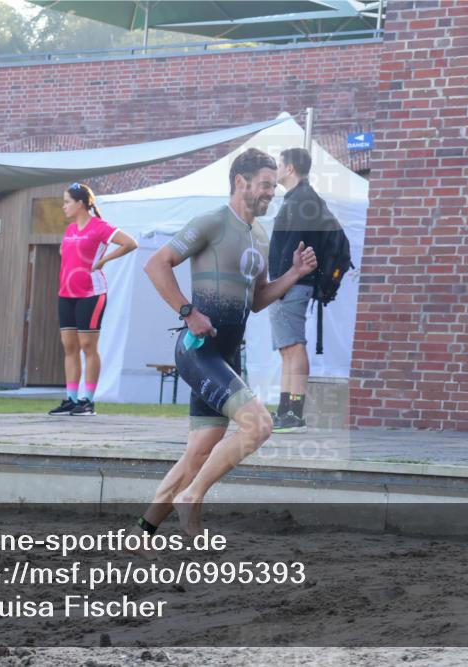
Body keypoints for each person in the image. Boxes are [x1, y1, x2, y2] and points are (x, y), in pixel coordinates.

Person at [137, 148, 318, 537]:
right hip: (199, 352)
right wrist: (188, 312)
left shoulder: (259, 235)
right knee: (259, 425)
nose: (272, 192)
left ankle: (143, 531)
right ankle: (192, 497)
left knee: (198, 454)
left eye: (274, 185)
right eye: (266, 185)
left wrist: (294, 274)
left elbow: (256, 300)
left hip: (227, 356)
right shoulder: (213, 223)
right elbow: (156, 264)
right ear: (242, 182)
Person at [49, 183, 137, 417]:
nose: (64, 206)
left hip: (91, 293)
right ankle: (71, 398)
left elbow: (130, 242)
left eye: (67, 201)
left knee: (88, 346)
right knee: (69, 347)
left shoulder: (99, 227)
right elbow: (64, 253)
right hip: (66, 294)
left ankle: (87, 400)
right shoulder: (69, 230)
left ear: (80, 204)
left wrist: (104, 259)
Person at [268, 147, 336, 434]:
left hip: (292, 284)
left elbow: (291, 246)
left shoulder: (301, 201)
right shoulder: (301, 199)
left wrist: (280, 284)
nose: (277, 171)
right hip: (292, 284)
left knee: (294, 346)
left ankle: (294, 410)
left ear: (291, 168)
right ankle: (286, 409)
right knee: (287, 349)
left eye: (279, 165)